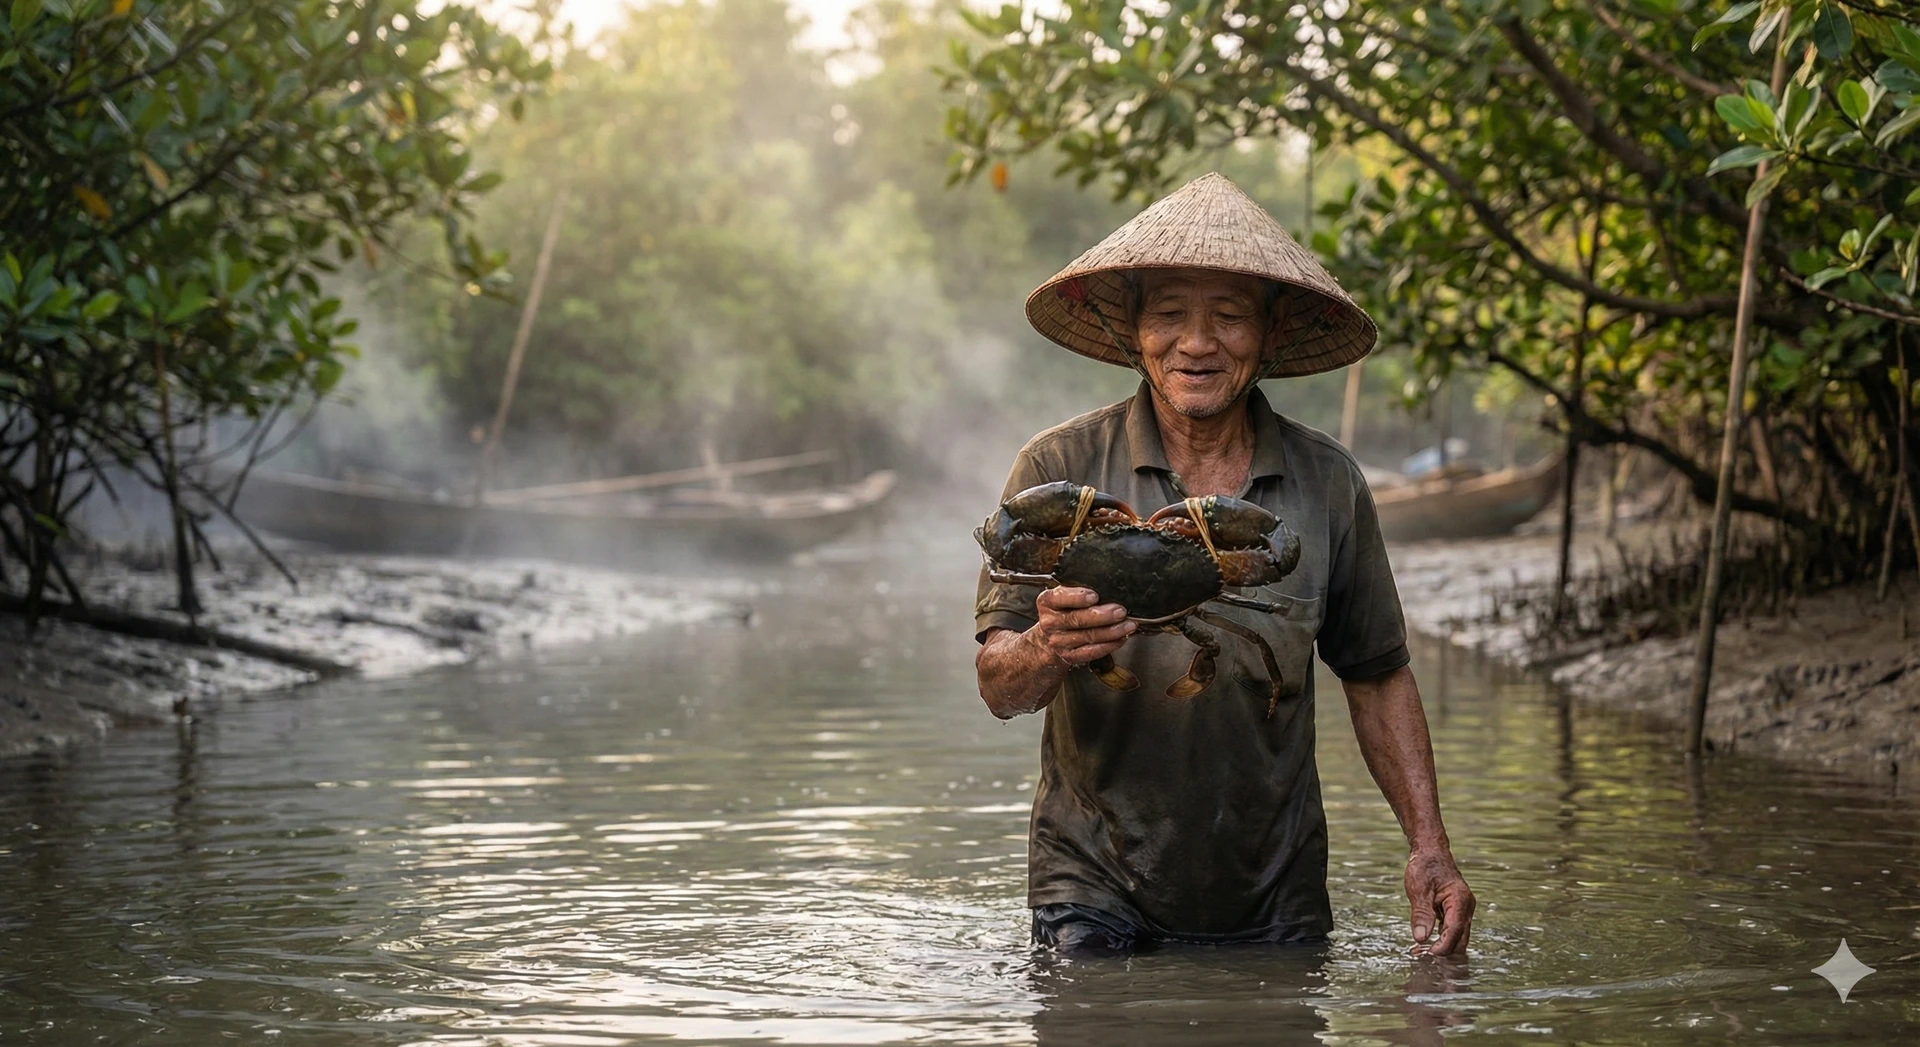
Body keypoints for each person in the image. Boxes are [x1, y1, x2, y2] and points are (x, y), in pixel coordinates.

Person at [974, 172, 1474, 955]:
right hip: (1091, 878)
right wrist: (1046, 645)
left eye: (1230, 317)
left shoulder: (1327, 482)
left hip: (1276, 886)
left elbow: (1377, 674)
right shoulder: (1057, 466)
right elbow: (998, 685)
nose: (1198, 343)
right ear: (1135, 328)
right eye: (1170, 313)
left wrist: (1430, 847)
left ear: (1272, 333)